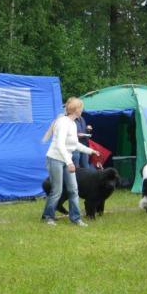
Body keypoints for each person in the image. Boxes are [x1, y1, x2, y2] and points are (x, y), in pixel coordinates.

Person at [41, 97, 100, 227]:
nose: (82, 110)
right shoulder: (63, 123)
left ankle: (76, 218)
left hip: (65, 160)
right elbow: (61, 145)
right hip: (55, 159)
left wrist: (91, 151)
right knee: (57, 191)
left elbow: (75, 145)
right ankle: (48, 216)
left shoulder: (73, 124)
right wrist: (69, 162)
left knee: (73, 190)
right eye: (81, 108)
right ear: (76, 109)